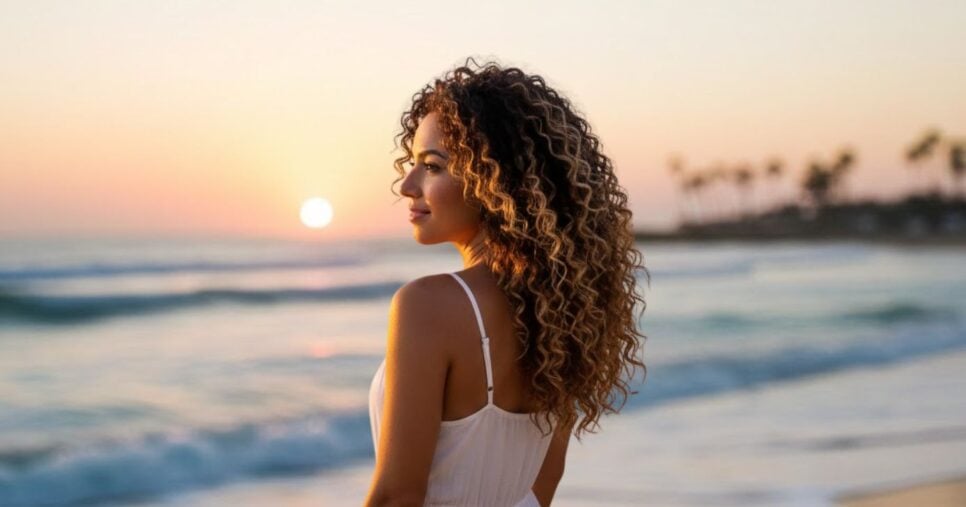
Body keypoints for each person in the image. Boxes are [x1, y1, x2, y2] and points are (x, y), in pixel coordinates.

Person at [365, 59, 647, 507]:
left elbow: (397, 497)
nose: (407, 185)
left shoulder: (427, 305)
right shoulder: (560, 314)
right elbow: (542, 488)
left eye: (432, 166)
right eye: (412, 163)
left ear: (494, 178)